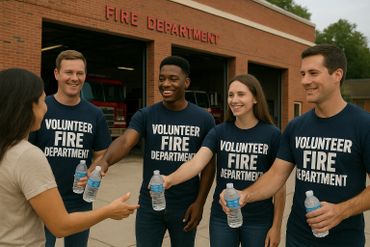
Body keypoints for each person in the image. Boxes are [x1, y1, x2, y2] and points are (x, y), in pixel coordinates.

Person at [219, 44, 370, 247]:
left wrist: (341, 211)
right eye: (303, 74)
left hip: (345, 240)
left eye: (313, 73)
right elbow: (276, 175)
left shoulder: (363, 125)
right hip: (298, 238)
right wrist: (245, 194)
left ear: (337, 75)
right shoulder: (296, 126)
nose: (305, 81)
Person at [0, 68, 139, 246]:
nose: (46, 108)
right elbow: (61, 226)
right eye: (42, 101)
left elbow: (101, 154)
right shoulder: (28, 155)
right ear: (28, 107)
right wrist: (109, 211)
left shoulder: (7, 147)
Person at [92, 55, 216, 247]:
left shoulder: (203, 119)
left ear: (186, 82)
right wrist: (105, 160)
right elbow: (126, 141)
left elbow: (208, 167)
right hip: (149, 204)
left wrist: (199, 203)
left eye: (173, 79)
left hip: (185, 205)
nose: (166, 84)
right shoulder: (147, 114)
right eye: (162, 78)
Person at [164, 74, 286, 247]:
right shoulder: (219, 132)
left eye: (241, 94)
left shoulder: (272, 134)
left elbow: (279, 185)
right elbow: (196, 163)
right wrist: (169, 179)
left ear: (256, 98)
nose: (234, 100)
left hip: (259, 220)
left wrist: (276, 226)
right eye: (231, 95)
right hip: (223, 218)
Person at [29, 50, 112, 247]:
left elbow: (102, 154)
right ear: (57, 74)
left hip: (80, 201)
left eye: (80, 73)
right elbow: (25, 151)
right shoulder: (41, 108)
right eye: (69, 72)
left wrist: (97, 171)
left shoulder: (95, 114)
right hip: (43, 200)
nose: (74, 78)